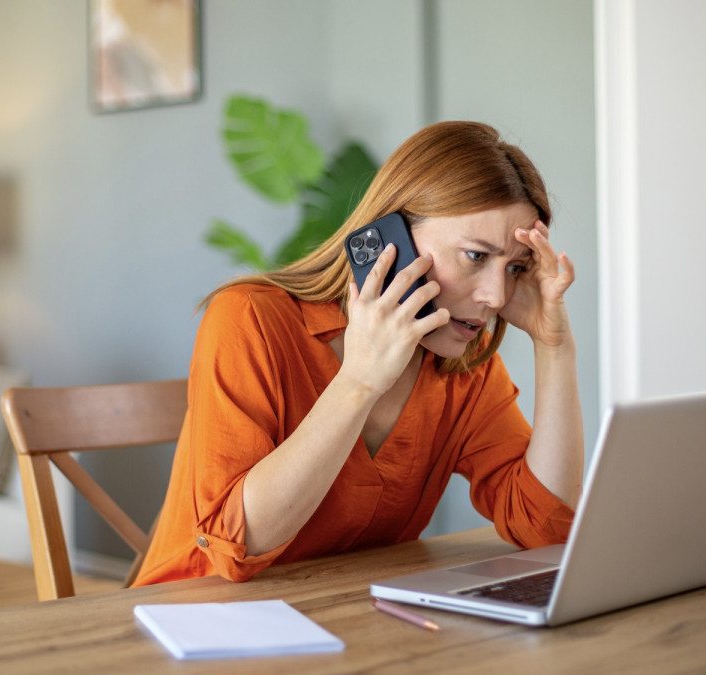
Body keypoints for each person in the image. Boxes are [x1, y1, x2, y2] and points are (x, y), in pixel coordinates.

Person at [133, 121, 584, 586]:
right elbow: (238, 547)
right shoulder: (249, 319)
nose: (496, 295)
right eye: (475, 256)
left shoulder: (464, 363)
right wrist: (359, 383)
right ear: (392, 239)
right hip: (191, 610)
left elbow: (545, 529)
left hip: (340, 613)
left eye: (515, 268)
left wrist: (554, 347)